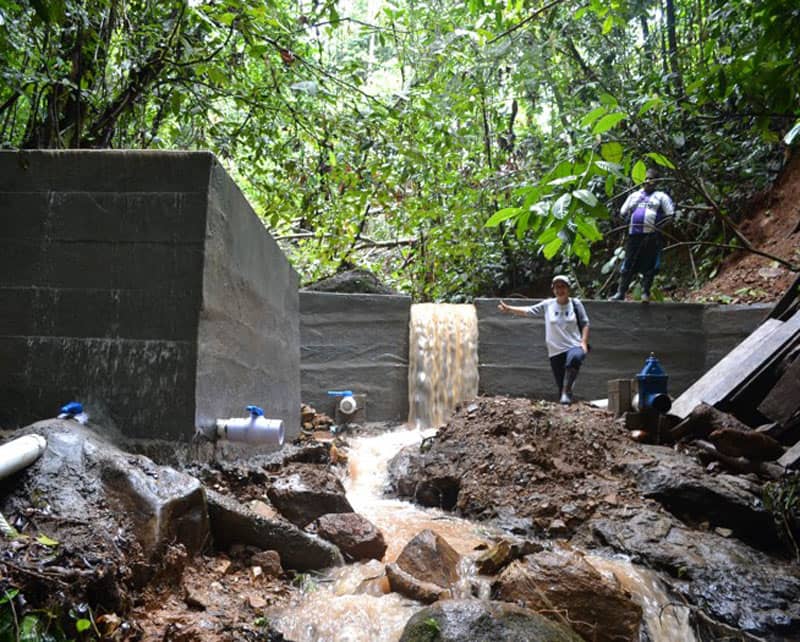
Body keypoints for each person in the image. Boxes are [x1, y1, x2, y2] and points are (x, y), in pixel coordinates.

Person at [497, 275, 590, 405]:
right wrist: (509, 309)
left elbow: (585, 323)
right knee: (561, 386)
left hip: (573, 345)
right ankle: (566, 413)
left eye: (563, 286)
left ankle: (567, 392)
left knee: (574, 359)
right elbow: (529, 311)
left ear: (568, 289)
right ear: (553, 290)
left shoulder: (575, 304)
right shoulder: (548, 305)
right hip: (555, 351)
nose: (560, 290)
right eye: (557, 287)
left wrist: (583, 342)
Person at [610, 168, 675, 302]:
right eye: (646, 178)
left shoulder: (661, 196)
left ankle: (645, 292)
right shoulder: (634, 195)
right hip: (634, 235)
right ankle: (620, 293)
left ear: (656, 182)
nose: (647, 181)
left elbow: (670, 215)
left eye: (651, 179)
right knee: (628, 263)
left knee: (649, 264)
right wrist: (626, 223)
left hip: (651, 235)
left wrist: (658, 228)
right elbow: (623, 212)